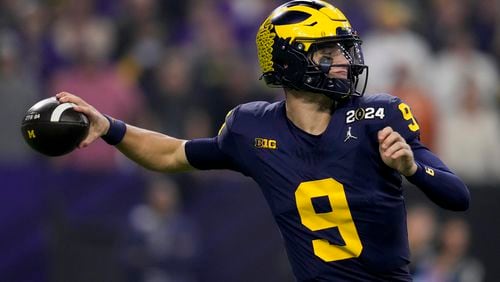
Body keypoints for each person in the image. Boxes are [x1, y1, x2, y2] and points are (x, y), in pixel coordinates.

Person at [55, 1, 470, 281]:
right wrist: (109, 127)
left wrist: (412, 168)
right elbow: (171, 153)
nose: (344, 63)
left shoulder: (377, 116)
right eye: (328, 54)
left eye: (344, 51)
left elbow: (457, 195)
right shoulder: (252, 128)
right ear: (290, 60)